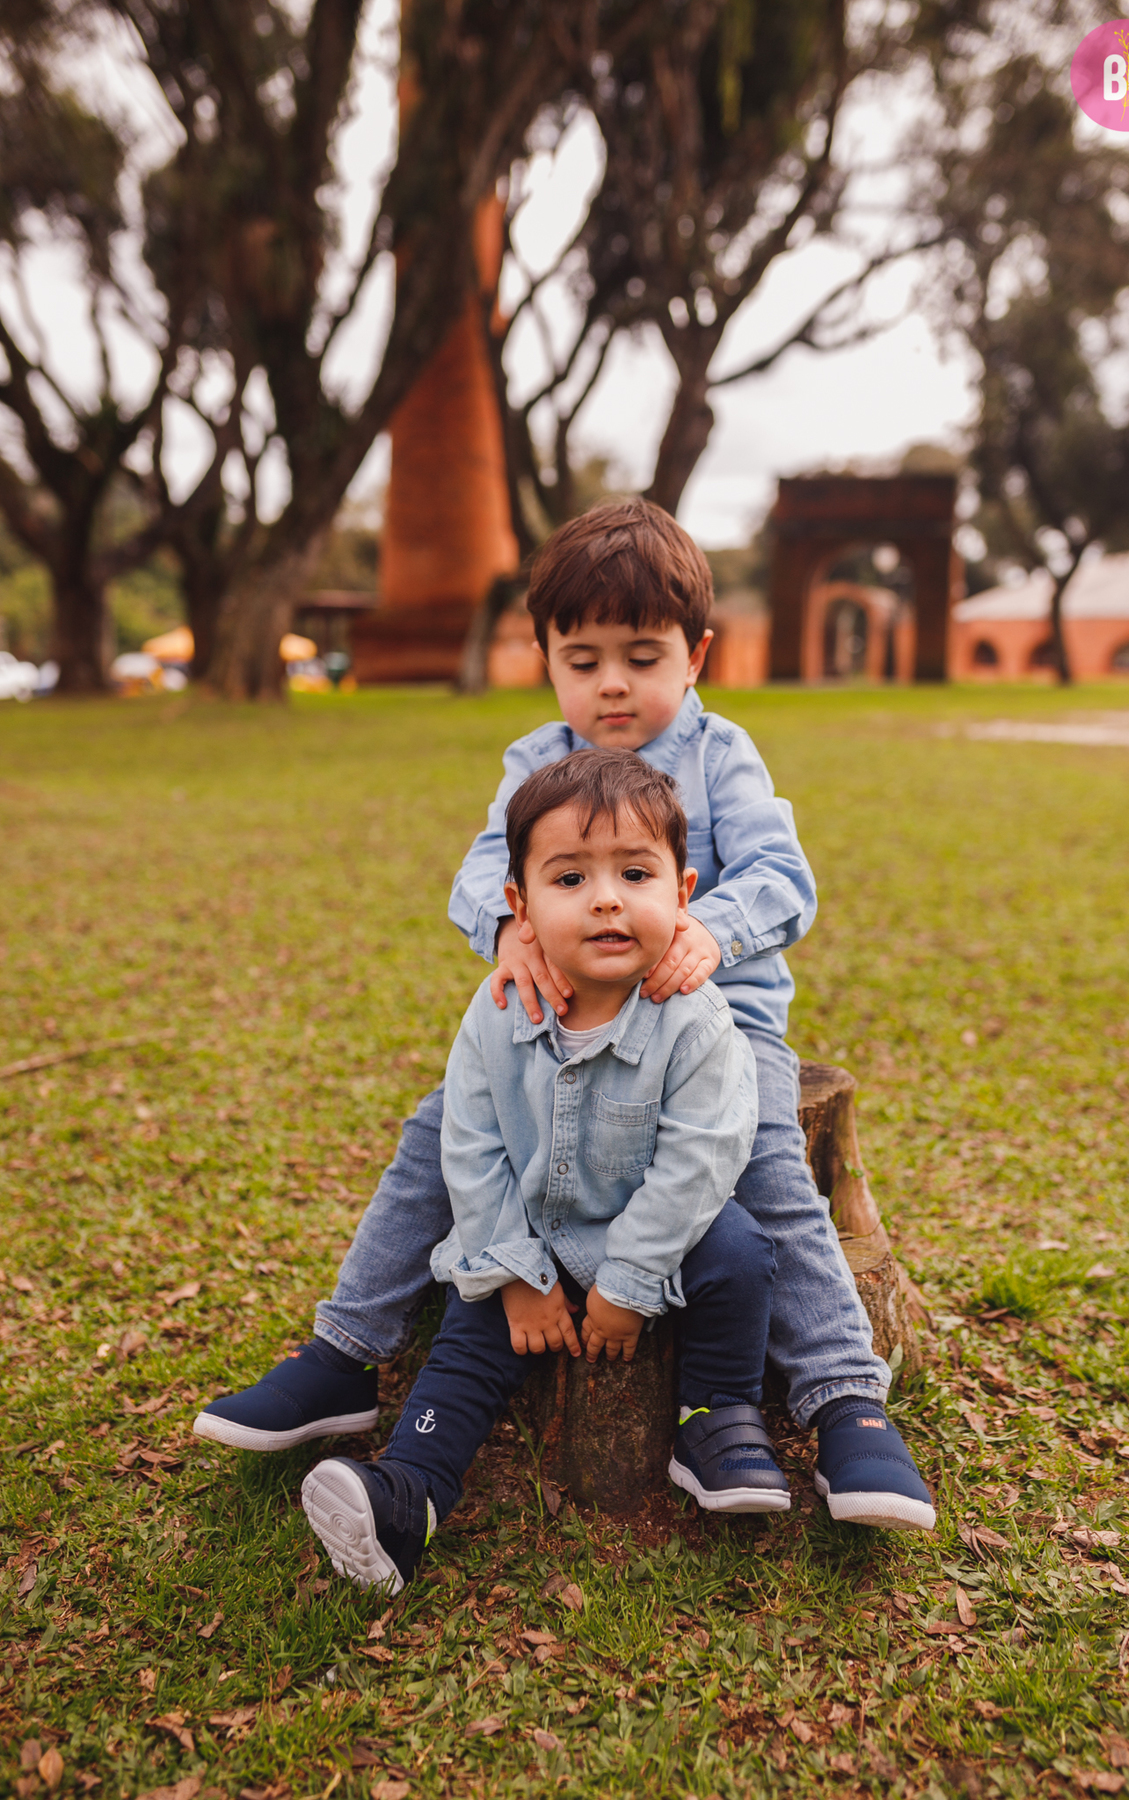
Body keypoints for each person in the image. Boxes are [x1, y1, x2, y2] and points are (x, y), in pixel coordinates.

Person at [195, 496, 935, 1535]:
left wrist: (710, 930)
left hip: (712, 1033)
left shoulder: (721, 754)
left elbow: (784, 875)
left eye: (643, 656)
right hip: (562, 1030)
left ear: (696, 656)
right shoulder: (535, 759)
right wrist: (506, 929)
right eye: (583, 659)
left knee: (768, 1164)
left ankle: (845, 1402)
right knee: (438, 1130)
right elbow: (481, 870)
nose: (612, 684)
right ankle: (345, 1355)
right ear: (546, 657)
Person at [300, 749, 791, 1591]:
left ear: (682, 893)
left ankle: (716, 1417)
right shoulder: (500, 1009)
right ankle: (408, 1492)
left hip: (664, 1234)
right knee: (471, 1329)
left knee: (743, 1257)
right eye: (570, 879)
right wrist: (511, 1273)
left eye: (635, 873)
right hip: (532, 1229)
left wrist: (628, 1285)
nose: (606, 898)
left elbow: (701, 1160)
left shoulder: (696, 1021)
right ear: (519, 908)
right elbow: (472, 1143)